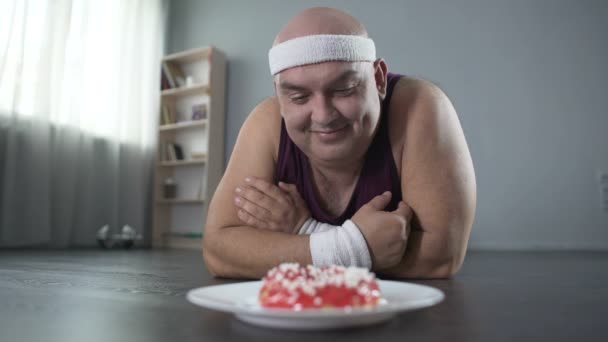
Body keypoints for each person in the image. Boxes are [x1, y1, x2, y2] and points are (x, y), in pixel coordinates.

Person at [202, 7, 476, 279]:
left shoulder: (420, 106)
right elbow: (219, 250)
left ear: (378, 78)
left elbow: (441, 256)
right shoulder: (267, 122)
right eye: (299, 97)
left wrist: (304, 231)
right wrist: (351, 248)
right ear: (278, 95)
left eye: (344, 90)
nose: (323, 115)